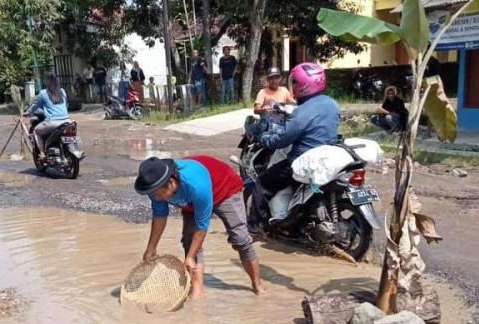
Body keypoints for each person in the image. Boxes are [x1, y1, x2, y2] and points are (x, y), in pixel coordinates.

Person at [135, 155, 266, 298]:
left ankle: (257, 284)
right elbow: (160, 216)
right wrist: (151, 247)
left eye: (159, 194)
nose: (156, 198)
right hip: (191, 201)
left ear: (171, 182)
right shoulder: (155, 188)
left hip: (224, 190)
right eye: (154, 195)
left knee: (240, 239)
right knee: (189, 241)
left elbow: (202, 225)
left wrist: (190, 256)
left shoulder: (195, 184)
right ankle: (197, 291)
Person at [249, 62, 340, 233]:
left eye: (296, 83)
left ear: (303, 85)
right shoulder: (332, 103)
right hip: (326, 157)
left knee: (262, 182)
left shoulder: (302, 111)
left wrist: (264, 139)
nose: (294, 86)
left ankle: (254, 227)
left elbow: (282, 139)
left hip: (301, 161)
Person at [25, 73, 69, 160]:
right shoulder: (62, 91)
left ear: (46, 82)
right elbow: (66, 105)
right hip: (67, 121)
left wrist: (28, 112)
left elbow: (34, 106)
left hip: (52, 122)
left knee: (36, 131)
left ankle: (42, 153)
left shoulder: (43, 93)